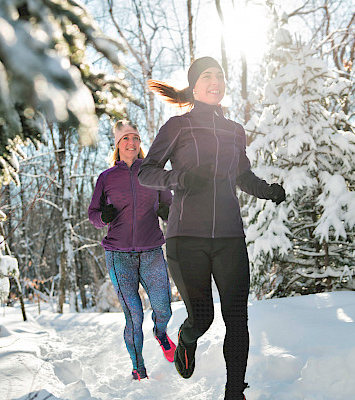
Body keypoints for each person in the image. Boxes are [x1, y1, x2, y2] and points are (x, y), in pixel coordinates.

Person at [138, 57, 286, 399]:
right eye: (207, 76)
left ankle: (235, 392)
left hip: (229, 237)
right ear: (194, 85)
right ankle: (187, 338)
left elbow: (242, 175)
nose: (215, 81)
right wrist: (181, 177)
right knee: (202, 316)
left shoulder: (235, 130)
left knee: (237, 318)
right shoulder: (177, 127)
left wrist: (265, 190)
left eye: (220, 75)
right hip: (186, 237)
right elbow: (147, 172)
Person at [88, 120, 176, 381]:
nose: (131, 143)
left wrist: (167, 212)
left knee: (164, 308)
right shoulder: (106, 178)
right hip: (119, 255)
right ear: (117, 144)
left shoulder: (154, 173)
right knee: (133, 316)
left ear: (140, 143)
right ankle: (138, 366)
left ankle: (160, 334)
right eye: (126, 138)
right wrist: (103, 216)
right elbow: (93, 215)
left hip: (151, 251)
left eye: (136, 138)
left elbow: (172, 208)